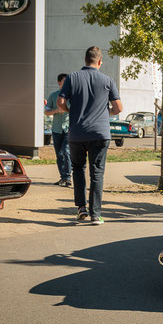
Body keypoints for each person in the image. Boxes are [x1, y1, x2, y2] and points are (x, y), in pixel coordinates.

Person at [57, 46, 123, 225]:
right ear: (100, 61)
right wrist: (105, 113)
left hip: (77, 133)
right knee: (97, 172)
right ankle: (96, 215)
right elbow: (118, 108)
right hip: (100, 134)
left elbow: (60, 102)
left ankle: (81, 209)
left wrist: (70, 110)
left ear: (85, 60)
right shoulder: (108, 80)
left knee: (77, 169)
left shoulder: (72, 77)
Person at [45, 73, 72, 187]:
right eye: (64, 82)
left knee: (65, 152)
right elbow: (46, 111)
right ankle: (63, 177)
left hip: (69, 129)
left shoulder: (73, 96)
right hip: (56, 129)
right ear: (59, 83)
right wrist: (56, 111)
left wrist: (66, 110)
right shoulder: (53, 95)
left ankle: (68, 177)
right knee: (59, 154)